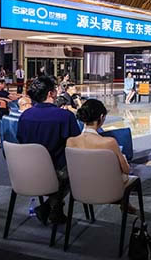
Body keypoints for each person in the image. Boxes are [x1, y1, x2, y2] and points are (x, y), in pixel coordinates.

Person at [17, 76, 80, 224]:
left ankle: (51, 208)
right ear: (51, 93)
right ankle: (50, 207)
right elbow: (76, 145)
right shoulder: (65, 116)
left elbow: (20, 140)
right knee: (78, 169)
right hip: (55, 173)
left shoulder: (25, 115)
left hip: (25, 172)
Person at [67, 99, 136, 214]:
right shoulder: (109, 142)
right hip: (108, 190)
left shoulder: (70, 142)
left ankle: (125, 204)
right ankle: (124, 203)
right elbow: (126, 170)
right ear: (101, 117)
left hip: (80, 189)